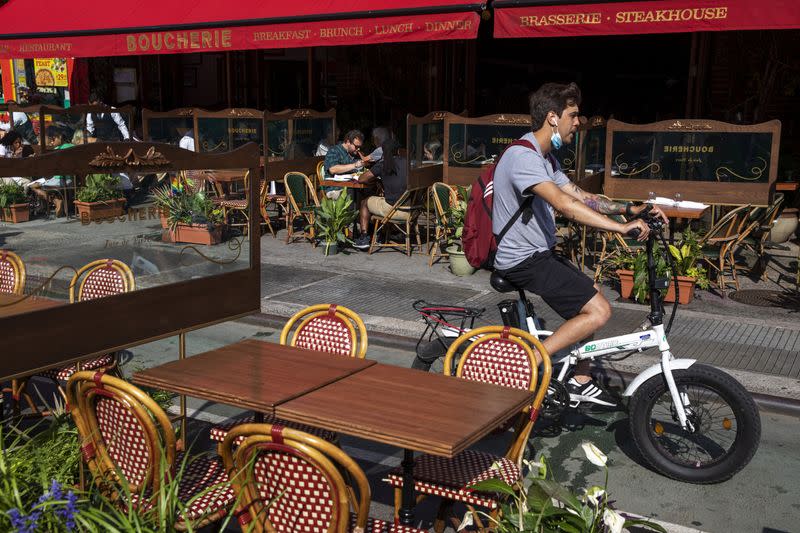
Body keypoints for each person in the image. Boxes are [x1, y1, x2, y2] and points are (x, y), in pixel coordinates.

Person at [492, 82, 668, 406]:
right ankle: (531, 361)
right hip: (522, 260)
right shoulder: (522, 157)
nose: (578, 122)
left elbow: (583, 197)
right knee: (600, 311)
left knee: (595, 295)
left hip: (539, 254)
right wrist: (621, 228)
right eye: (573, 115)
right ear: (552, 118)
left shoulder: (545, 159)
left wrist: (631, 208)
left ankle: (581, 379)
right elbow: (563, 204)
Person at [352, 135, 407, 250]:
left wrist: (377, 177)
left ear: (383, 151)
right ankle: (396, 232)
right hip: (412, 210)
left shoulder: (383, 164)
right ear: (398, 150)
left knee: (365, 202)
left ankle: (364, 237)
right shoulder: (407, 163)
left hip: (393, 209)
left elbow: (362, 179)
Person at [29, 126, 74, 216]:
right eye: (50, 139)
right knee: (45, 184)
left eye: (53, 139)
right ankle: (56, 203)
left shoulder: (54, 151)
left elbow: (47, 172)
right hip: (73, 179)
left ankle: (56, 201)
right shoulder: (73, 147)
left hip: (59, 180)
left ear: (60, 137)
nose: (52, 142)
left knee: (33, 186)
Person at [322, 129, 365, 200]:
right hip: (335, 188)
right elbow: (333, 169)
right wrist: (354, 165)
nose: (358, 149)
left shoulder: (356, 154)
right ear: (348, 142)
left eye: (360, 147)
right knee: (349, 193)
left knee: (368, 192)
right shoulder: (334, 151)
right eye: (356, 146)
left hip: (353, 187)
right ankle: (353, 211)